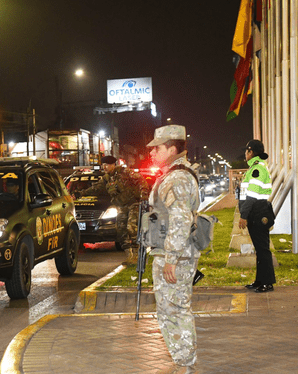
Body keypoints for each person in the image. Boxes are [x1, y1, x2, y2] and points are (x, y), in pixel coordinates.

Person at [146, 125, 200, 374]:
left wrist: (171, 259)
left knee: (174, 310)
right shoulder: (177, 174)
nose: (152, 153)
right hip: (176, 252)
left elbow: (179, 220)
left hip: (175, 255)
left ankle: (185, 364)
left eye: (156, 148)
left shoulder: (176, 178)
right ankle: (184, 361)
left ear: (172, 148)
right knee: (173, 308)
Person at [81, 155, 149, 264]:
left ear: (113, 164)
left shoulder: (125, 172)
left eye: (107, 165)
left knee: (131, 228)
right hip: (121, 207)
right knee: (121, 231)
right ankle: (130, 256)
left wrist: (144, 196)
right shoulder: (106, 178)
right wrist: (80, 193)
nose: (105, 167)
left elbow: (141, 181)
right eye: (103, 165)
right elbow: (95, 188)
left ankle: (138, 255)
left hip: (133, 204)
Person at [239, 139, 275, 293]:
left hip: (258, 212)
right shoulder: (256, 167)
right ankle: (260, 281)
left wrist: (243, 215)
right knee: (260, 249)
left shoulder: (257, 169)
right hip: (257, 212)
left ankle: (268, 283)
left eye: (246, 151)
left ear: (251, 151)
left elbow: (251, 196)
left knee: (263, 250)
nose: (245, 154)